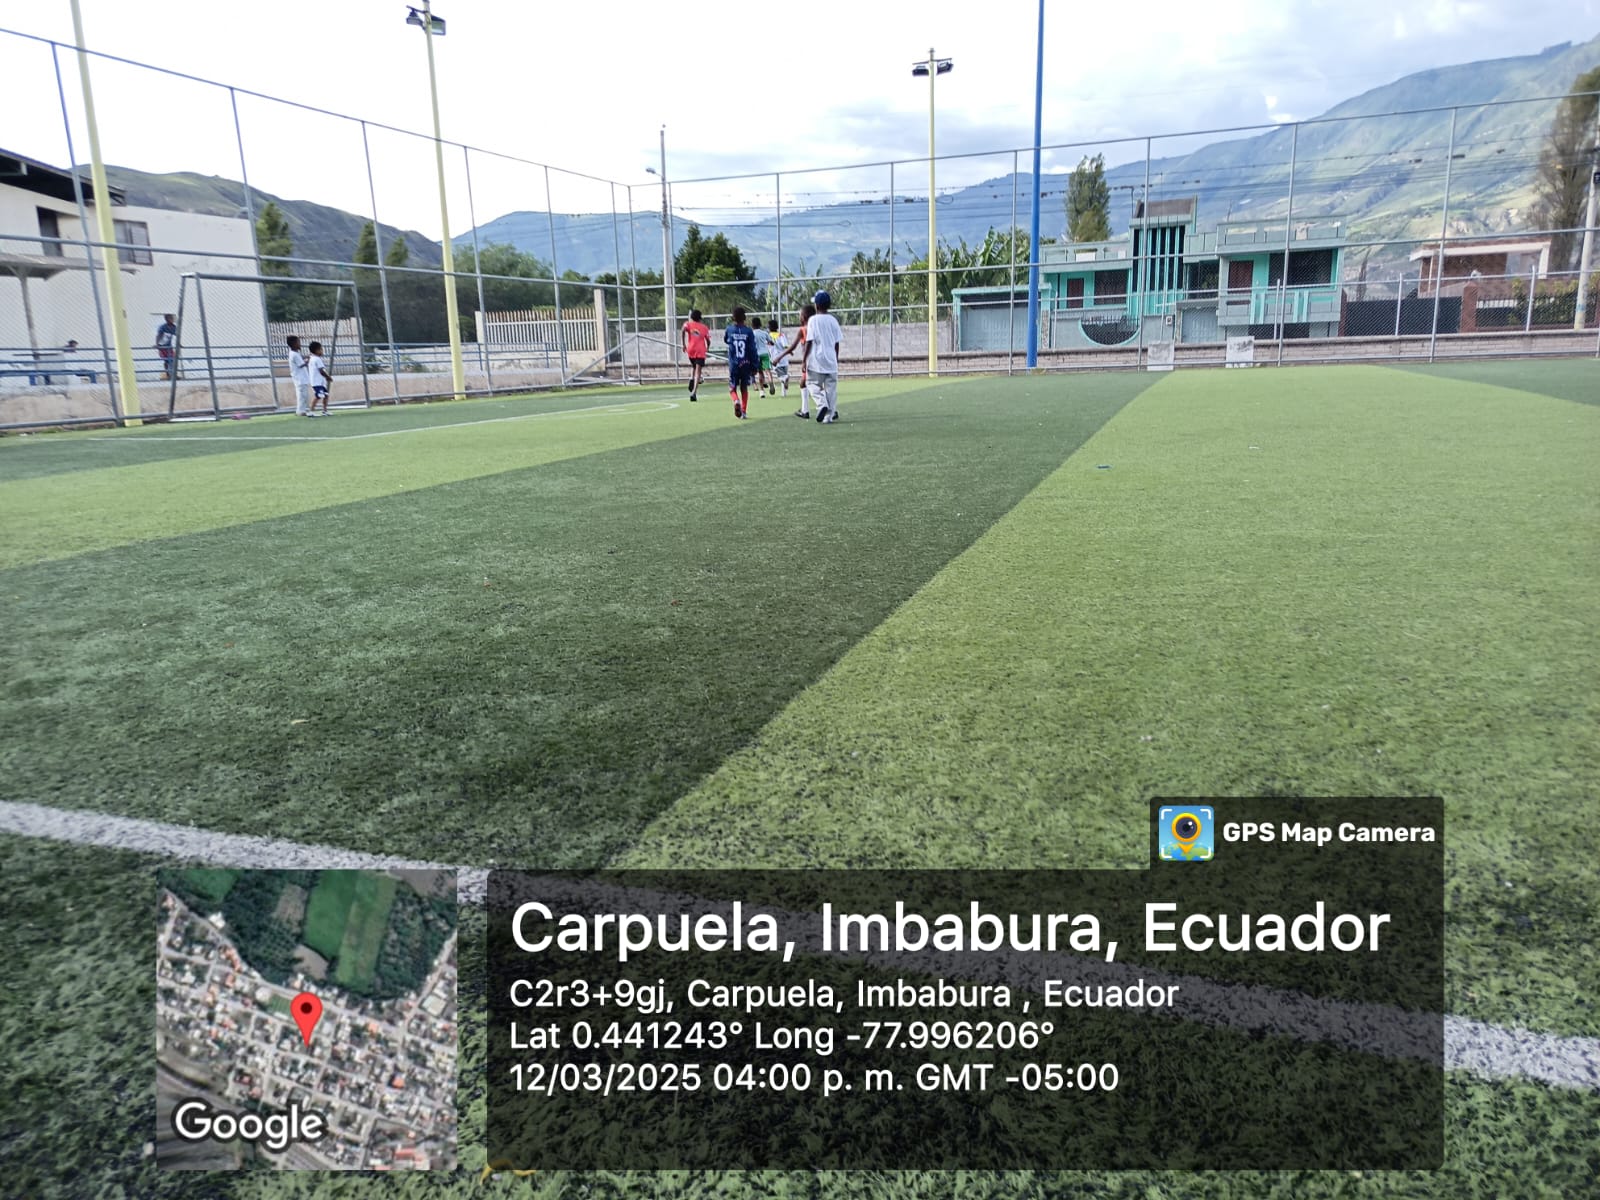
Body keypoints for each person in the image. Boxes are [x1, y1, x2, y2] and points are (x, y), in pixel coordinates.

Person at [803, 290, 843, 424]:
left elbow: (809, 341)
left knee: (811, 384)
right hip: (831, 360)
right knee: (831, 389)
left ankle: (821, 404)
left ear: (817, 305)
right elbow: (837, 343)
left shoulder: (813, 320)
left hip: (817, 360)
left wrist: (804, 360)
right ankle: (828, 416)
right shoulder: (833, 320)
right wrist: (836, 358)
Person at [773, 302, 814, 418]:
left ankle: (819, 408)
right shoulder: (815, 328)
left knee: (810, 385)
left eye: (800, 315)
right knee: (805, 383)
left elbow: (792, 347)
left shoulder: (803, 330)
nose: (799, 317)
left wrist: (778, 357)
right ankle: (806, 410)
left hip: (810, 361)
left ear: (804, 317)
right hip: (819, 359)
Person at [723, 307, 758, 419]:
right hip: (745, 363)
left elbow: (726, 340)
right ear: (744, 317)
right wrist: (755, 365)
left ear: (733, 318)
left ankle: (736, 400)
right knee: (744, 387)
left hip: (734, 364)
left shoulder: (729, 330)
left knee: (732, 387)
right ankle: (743, 411)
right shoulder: (749, 331)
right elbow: (752, 349)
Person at [681, 309, 710, 401]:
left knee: (694, 366)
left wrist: (683, 344)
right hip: (700, 350)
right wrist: (707, 348)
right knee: (698, 371)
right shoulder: (704, 327)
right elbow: (708, 340)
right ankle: (694, 392)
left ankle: (691, 379)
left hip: (691, 350)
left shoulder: (688, 324)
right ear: (700, 318)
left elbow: (683, 330)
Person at [286, 335, 311, 417]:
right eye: (298, 342)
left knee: (304, 395)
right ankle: (300, 410)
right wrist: (308, 360)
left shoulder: (295, 353)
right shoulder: (294, 354)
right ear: (293, 344)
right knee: (302, 395)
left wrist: (307, 357)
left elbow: (300, 360)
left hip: (301, 378)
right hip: (300, 379)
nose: (300, 344)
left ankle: (303, 409)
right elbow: (301, 364)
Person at [307, 340, 332, 416]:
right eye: (321, 349)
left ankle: (325, 410)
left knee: (326, 395)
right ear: (317, 350)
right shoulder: (317, 359)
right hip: (317, 382)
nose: (322, 351)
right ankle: (311, 411)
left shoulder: (312, 358)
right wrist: (328, 377)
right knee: (318, 396)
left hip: (319, 382)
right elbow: (321, 371)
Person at [751, 316, 774, 396]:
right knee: (768, 370)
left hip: (756, 355)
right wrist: (769, 343)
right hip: (765, 353)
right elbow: (771, 342)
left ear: (752, 325)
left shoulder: (752, 334)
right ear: (760, 324)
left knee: (760, 373)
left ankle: (762, 392)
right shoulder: (764, 333)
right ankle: (771, 382)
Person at [766, 320, 788, 398]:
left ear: (769, 327)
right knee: (784, 374)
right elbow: (785, 345)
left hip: (775, 358)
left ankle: (785, 378)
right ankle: (784, 393)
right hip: (784, 358)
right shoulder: (781, 335)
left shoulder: (768, 336)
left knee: (781, 376)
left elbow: (767, 347)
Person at [154, 314, 178, 380]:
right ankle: (168, 375)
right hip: (162, 346)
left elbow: (177, 335)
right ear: (167, 319)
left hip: (169, 346)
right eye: (171, 318)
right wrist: (157, 344)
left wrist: (179, 344)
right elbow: (158, 335)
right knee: (166, 361)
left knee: (173, 360)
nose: (173, 320)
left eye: (173, 318)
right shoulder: (163, 327)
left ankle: (174, 374)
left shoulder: (174, 327)